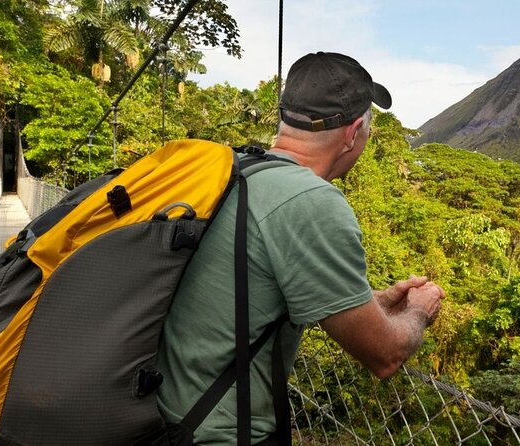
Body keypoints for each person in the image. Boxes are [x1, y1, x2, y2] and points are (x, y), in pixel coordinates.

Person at [156, 51, 445, 445]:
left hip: (163, 417)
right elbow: (385, 355)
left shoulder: (235, 170)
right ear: (353, 132)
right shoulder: (311, 201)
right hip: (222, 436)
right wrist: (418, 310)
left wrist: (374, 301)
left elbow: (256, 292)